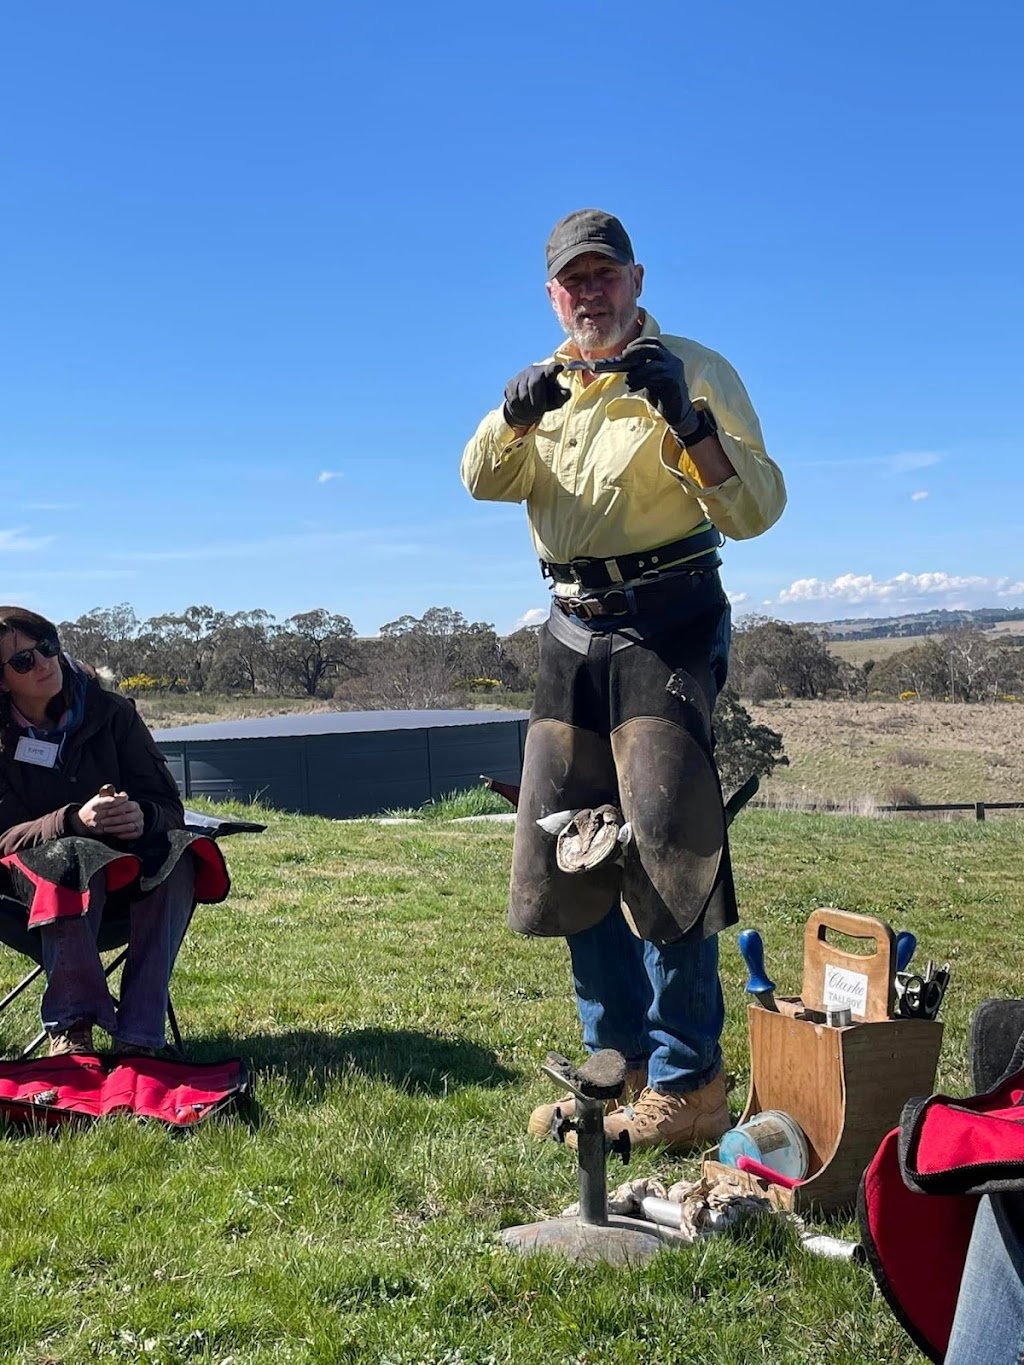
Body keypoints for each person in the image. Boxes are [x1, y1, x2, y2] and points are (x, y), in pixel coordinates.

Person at [461, 209, 786, 1149]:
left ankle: (689, 1082)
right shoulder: (543, 384)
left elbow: (756, 507)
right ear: (553, 295)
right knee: (574, 847)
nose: (590, 293)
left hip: (667, 616)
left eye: (606, 276)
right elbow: (481, 478)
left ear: (638, 281)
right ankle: (618, 1069)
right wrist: (514, 414)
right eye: (574, 281)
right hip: (570, 628)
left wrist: (685, 417)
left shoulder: (696, 368)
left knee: (668, 846)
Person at [0, 606, 228, 1057]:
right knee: (71, 856)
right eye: (23, 661)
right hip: (23, 897)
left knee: (182, 853)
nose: (43, 663)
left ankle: (140, 1038)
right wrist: (71, 821)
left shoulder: (112, 713)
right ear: (2, 681)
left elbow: (167, 805)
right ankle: (72, 1029)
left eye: (46, 647)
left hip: (124, 888)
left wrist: (144, 814)